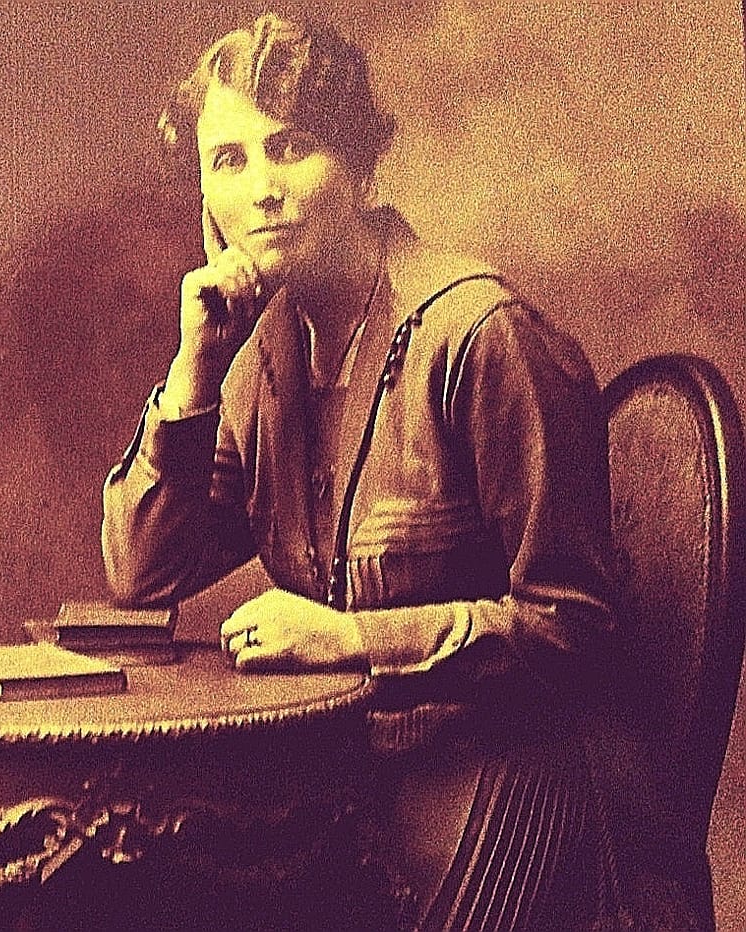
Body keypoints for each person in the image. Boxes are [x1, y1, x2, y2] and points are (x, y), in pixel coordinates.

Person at [103, 12, 620, 930]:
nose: (262, 189)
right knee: (88, 877)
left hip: (505, 795)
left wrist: (354, 639)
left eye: (291, 147)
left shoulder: (481, 334)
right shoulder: (265, 358)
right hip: (352, 790)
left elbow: (577, 634)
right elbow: (146, 572)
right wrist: (193, 373)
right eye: (228, 161)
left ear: (362, 164)